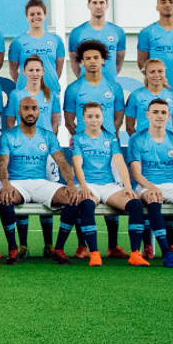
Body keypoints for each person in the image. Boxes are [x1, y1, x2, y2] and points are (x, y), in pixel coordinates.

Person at [0, 97, 83, 265]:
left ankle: (58, 249)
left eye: (34, 108)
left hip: (41, 183)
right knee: (4, 199)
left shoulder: (47, 136)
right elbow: (2, 163)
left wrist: (71, 184)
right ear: (19, 111)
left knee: (73, 198)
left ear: (38, 111)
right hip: (17, 183)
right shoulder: (8, 136)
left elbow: (62, 162)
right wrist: (5, 184)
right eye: (26, 108)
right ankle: (13, 248)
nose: (30, 112)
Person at [64, 40, 126, 257]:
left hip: (109, 149)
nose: (92, 62)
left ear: (103, 61)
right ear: (81, 62)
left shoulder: (114, 88)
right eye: (87, 58)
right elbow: (68, 120)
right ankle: (83, 244)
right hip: (84, 150)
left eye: (96, 58)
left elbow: (119, 116)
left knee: (114, 190)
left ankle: (113, 245)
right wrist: (80, 139)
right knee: (85, 194)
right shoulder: (73, 89)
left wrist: (110, 135)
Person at [69, 103, 149, 265]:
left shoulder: (110, 137)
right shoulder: (78, 138)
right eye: (90, 116)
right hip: (88, 184)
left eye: (97, 116)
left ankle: (135, 254)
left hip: (108, 185)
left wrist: (127, 186)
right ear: (83, 118)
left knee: (134, 204)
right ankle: (94, 254)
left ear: (102, 117)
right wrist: (83, 187)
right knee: (87, 205)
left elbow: (119, 162)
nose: (93, 120)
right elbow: (77, 164)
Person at [127, 98, 173, 268]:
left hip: (170, 184)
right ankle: (167, 252)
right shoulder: (137, 139)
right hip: (145, 185)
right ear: (147, 115)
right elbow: (137, 174)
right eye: (155, 112)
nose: (159, 116)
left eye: (163, 112)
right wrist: (152, 187)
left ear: (168, 116)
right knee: (153, 199)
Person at [7, 0, 65, 93]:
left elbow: (58, 70)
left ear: (45, 15)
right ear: (26, 17)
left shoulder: (56, 40)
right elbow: (13, 71)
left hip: (50, 92)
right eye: (32, 14)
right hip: (25, 93)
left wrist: (48, 83)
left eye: (39, 13)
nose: (36, 17)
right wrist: (25, 85)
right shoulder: (18, 42)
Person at [68, 0, 126, 81]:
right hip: (86, 84)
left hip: (109, 84)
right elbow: (74, 61)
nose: (98, 6)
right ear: (88, 5)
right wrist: (83, 78)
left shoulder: (118, 32)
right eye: (94, 3)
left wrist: (110, 77)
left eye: (102, 2)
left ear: (107, 5)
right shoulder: (77, 32)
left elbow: (119, 60)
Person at [126, 59, 173, 135]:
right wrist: (139, 142)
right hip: (143, 143)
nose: (156, 75)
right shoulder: (136, 95)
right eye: (152, 72)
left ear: (164, 73)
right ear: (146, 74)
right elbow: (129, 127)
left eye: (160, 71)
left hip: (167, 143)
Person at [4, 55, 60, 132]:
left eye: (37, 70)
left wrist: (51, 141)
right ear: (24, 71)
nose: (34, 74)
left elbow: (55, 124)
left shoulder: (52, 95)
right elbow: (10, 123)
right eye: (30, 70)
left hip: (45, 141)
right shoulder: (15, 95)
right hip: (23, 142)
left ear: (43, 72)